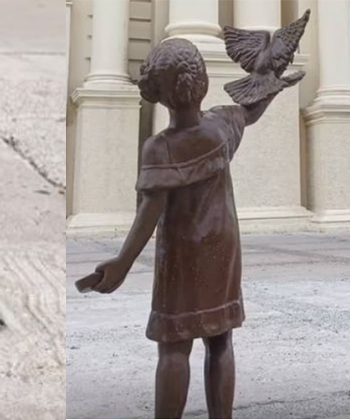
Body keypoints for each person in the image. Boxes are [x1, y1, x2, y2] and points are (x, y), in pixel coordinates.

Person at [83, 38, 279, 419]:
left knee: (174, 346)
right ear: (202, 82)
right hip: (223, 247)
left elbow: (149, 214)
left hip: (183, 255)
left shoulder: (159, 149)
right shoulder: (221, 125)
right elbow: (250, 111)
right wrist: (269, 80)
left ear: (158, 93)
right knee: (221, 338)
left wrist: (122, 262)